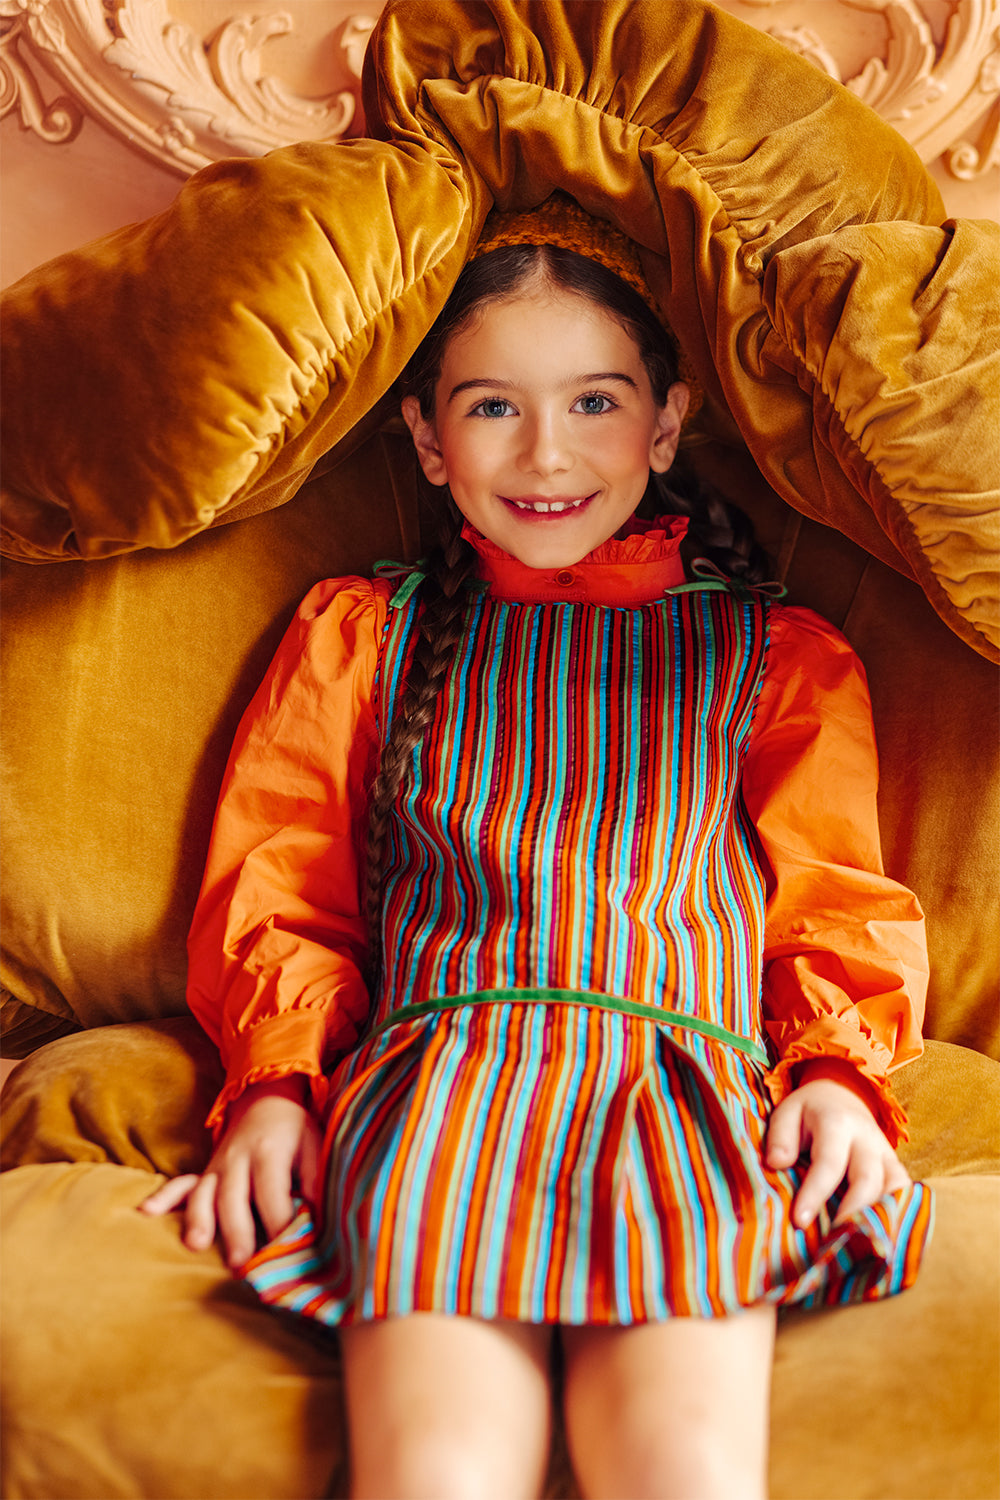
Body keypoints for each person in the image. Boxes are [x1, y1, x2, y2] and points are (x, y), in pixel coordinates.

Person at [142, 194, 932, 1500]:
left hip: (685, 1094)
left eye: (597, 402)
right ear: (429, 440)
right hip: (441, 1094)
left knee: (681, 1473)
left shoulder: (779, 656)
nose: (545, 449)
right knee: (440, 1478)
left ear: (668, 424)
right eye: (494, 405)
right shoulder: (359, 636)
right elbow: (278, 891)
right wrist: (275, 1088)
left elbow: (835, 900)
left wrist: (840, 1072)